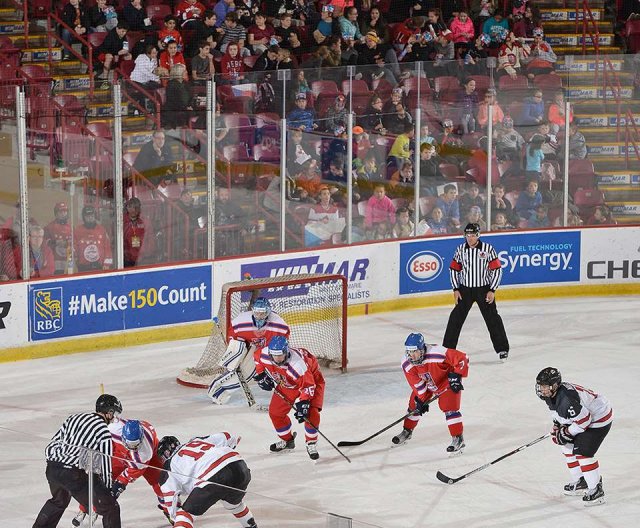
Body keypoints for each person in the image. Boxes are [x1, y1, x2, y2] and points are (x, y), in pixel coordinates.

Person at [33, 395, 123, 528]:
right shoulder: (103, 430)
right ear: (109, 413)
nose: (114, 417)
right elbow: (105, 463)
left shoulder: (74, 418)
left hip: (53, 468)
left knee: (58, 501)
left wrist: (56, 464)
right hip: (72, 473)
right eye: (114, 413)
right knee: (110, 507)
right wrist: (107, 490)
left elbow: (52, 445)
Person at [535, 367, 612, 505]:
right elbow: (559, 413)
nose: (542, 390)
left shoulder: (566, 399)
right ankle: (582, 481)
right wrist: (558, 427)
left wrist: (566, 432)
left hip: (599, 417)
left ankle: (596, 490)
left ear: (555, 385)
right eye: (541, 386)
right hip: (586, 416)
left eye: (545, 387)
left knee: (583, 453)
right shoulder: (552, 394)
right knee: (566, 446)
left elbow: (584, 421)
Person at [72, 418, 166, 527]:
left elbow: (128, 475)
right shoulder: (112, 428)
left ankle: (169, 508)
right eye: (130, 444)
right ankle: (84, 508)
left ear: (141, 439)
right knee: (101, 480)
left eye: (135, 445)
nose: (133, 448)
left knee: (161, 482)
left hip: (148, 457)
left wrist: (117, 487)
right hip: (119, 453)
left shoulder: (144, 453)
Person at [156, 433, 258, 527]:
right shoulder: (196, 441)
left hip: (213, 476)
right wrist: (232, 444)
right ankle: (252, 526)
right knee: (233, 505)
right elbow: (226, 436)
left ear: (164, 454)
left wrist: (178, 520)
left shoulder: (168, 468)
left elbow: (171, 502)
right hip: (239, 466)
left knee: (184, 514)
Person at [392, 333, 469, 453]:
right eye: (409, 352)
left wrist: (456, 376)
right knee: (414, 405)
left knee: (449, 408)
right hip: (428, 384)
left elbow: (462, 358)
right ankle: (407, 431)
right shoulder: (406, 363)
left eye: (415, 351)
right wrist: (421, 400)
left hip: (446, 382)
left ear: (422, 349)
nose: (412, 355)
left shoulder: (437, 353)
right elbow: (416, 383)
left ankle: (458, 439)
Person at [442, 222, 510, 360]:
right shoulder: (460, 249)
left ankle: (502, 349)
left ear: (478, 235)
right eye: (468, 235)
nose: (470, 238)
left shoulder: (488, 249)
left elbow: (497, 270)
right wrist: (456, 288)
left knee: (492, 319)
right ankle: (448, 350)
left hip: (483, 290)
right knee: (455, 319)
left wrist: (492, 289)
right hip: (465, 290)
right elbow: (454, 269)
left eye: (473, 235)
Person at [253, 336, 326, 460]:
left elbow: (308, 386)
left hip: (311, 379)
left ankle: (311, 443)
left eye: (280, 356)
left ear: (287, 352)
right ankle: (287, 441)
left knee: (310, 412)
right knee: (275, 413)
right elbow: (257, 359)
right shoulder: (264, 354)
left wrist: (304, 403)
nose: (277, 359)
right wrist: (261, 375)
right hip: (288, 382)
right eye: (274, 356)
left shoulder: (297, 365)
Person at [74, 205, 113, 272]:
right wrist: (74, 261)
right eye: (87, 216)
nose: (90, 218)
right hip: (83, 267)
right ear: (84, 217)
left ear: (95, 216)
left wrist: (107, 263)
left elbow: (107, 247)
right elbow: (73, 246)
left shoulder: (101, 230)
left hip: (99, 267)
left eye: (92, 216)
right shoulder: (78, 231)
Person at [44, 202, 72, 275]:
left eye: (65, 211)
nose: (63, 213)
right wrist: (56, 243)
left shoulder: (71, 228)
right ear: (56, 213)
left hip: (69, 264)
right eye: (61, 211)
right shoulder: (49, 227)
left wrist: (68, 244)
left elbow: (75, 244)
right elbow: (45, 244)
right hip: (54, 264)